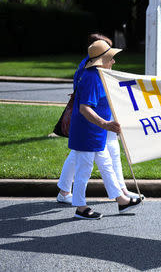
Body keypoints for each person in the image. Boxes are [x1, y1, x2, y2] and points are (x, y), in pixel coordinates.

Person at [56, 34, 142, 205]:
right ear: (102, 59)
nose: (114, 62)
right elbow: (84, 108)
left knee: (104, 162)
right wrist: (106, 124)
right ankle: (80, 207)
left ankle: (121, 199)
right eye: (111, 58)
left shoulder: (94, 73)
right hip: (89, 130)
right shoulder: (92, 77)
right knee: (84, 170)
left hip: (95, 130)